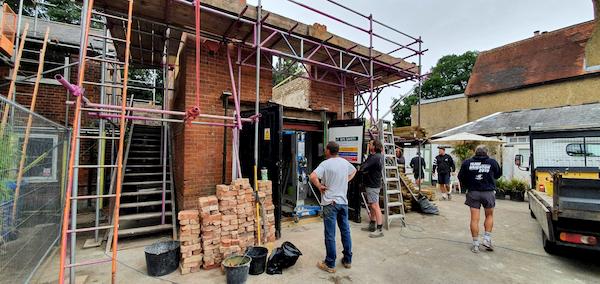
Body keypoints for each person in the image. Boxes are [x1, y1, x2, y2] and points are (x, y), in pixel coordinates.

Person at [310, 141, 357, 273]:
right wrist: (346, 180)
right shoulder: (344, 162)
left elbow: (312, 176)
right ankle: (347, 260)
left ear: (329, 151)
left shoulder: (325, 164)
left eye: (325, 149)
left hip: (330, 203)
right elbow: (354, 171)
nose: (325, 151)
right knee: (345, 231)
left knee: (330, 234)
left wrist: (319, 186)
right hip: (343, 203)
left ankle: (330, 263)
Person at [457, 145, 501, 253]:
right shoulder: (492, 162)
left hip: (473, 193)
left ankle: (476, 245)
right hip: (488, 193)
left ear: (475, 152)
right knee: (489, 215)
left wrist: (468, 185)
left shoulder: (467, 163)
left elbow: (460, 177)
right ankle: (486, 239)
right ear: (486, 153)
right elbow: (498, 175)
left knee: (474, 219)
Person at [359, 140, 384, 238]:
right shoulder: (378, 156)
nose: (368, 145)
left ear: (374, 146)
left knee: (375, 205)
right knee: (372, 205)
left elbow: (363, 167)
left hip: (373, 184)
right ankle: (372, 225)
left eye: (370, 144)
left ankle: (379, 229)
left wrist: (361, 167)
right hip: (374, 183)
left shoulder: (374, 157)